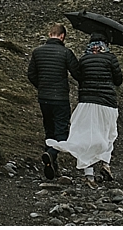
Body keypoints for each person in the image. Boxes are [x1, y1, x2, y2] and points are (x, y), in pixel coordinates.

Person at [45, 31, 123, 187]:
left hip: (86, 103)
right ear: (105, 44)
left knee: (87, 137)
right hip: (107, 103)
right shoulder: (110, 58)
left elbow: (79, 76)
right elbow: (118, 80)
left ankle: (89, 175)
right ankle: (105, 163)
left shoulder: (84, 59)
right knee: (109, 133)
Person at [26, 22, 81, 179]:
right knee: (62, 133)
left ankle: (51, 167)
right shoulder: (66, 53)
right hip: (60, 98)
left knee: (49, 130)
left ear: (50, 34)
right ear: (62, 36)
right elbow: (77, 74)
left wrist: (42, 86)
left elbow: (31, 74)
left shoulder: (37, 52)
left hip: (44, 98)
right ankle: (51, 153)